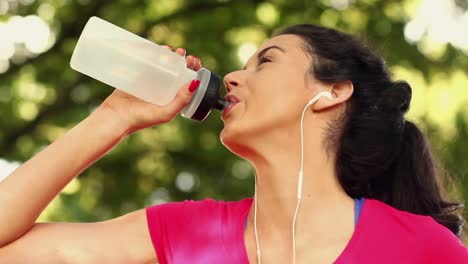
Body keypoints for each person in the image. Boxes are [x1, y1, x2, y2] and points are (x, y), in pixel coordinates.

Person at [0, 23, 467, 264]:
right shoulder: (184, 233)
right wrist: (113, 118)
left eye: (266, 60)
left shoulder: (422, 248)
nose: (237, 76)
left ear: (333, 91)